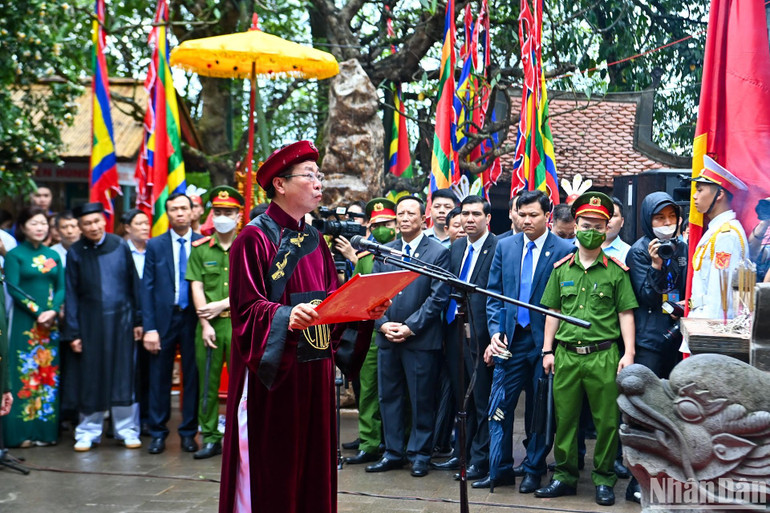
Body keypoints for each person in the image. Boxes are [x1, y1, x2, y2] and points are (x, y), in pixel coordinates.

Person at [218, 140, 388, 513]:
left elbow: (329, 304)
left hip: (313, 370)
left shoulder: (314, 240)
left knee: (312, 463)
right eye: (309, 175)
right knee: (272, 465)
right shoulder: (254, 238)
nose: (318, 183)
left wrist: (362, 313)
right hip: (273, 374)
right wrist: (282, 316)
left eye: (319, 175)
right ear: (280, 184)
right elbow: (246, 308)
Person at [535, 192, 638, 506]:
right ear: (574, 226)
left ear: (607, 229)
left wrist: (629, 353)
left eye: (598, 225)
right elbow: (552, 311)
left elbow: (625, 314)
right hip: (566, 355)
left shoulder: (616, 271)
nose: (591, 229)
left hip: (604, 355)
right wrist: (547, 350)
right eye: (585, 224)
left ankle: (604, 479)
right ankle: (564, 476)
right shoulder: (561, 268)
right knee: (565, 420)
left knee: (607, 421)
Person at [478, 191, 574, 492]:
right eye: (522, 214)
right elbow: (493, 295)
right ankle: (501, 468)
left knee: (540, 410)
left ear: (547, 216)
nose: (527, 220)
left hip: (546, 342)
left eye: (533, 214)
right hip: (510, 341)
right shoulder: (505, 246)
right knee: (500, 407)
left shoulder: (564, 249)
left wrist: (552, 344)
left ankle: (534, 467)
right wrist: (495, 331)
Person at [366, 195, 451, 478]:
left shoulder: (437, 252)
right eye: (400, 213)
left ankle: (420, 454)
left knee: (421, 399)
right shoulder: (383, 250)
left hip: (420, 339)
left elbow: (437, 297)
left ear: (423, 218)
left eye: (410, 213)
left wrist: (411, 326)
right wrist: (383, 324)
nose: (404, 218)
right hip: (388, 337)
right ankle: (392, 452)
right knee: (389, 396)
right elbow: (373, 295)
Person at [62, 202, 143, 452]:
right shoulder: (75, 252)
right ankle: (88, 431)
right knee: (90, 376)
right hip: (90, 324)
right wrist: (73, 332)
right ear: (80, 227)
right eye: (87, 223)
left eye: (97, 221)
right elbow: (72, 294)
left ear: (104, 221)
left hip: (122, 320)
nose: (93, 227)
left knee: (123, 376)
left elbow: (134, 285)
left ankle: (127, 429)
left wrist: (139, 320)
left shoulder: (119, 245)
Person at [624, 191, 687, 502]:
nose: (666, 224)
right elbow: (647, 297)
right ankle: (637, 481)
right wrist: (656, 264)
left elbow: (683, 284)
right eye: (659, 218)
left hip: (676, 336)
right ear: (648, 220)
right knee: (645, 412)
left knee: (672, 411)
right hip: (649, 338)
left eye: (671, 218)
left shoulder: (683, 247)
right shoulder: (638, 251)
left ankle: (666, 477)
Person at [432, 196, 498, 480]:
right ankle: (462, 454)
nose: (469, 219)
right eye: (465, 214)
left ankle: (480, 460)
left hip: (482, 335)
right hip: (455, 332)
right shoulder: (456, 247)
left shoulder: (498, 247)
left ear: (487, 219)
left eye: (475, 214)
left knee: (481, 399)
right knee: (462, 400)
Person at [185, 186, 243, 460]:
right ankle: (209, 437)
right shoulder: (199, 248)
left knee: (241, 385)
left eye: (228, 212)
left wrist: (222, 304)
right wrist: (205, 322)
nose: (222, 217)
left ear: (238, 215)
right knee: (207, 384)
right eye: (218, 212)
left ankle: (240, 435)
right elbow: (196, 285)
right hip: (208, 327)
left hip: (239, 324)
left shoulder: (247, 246)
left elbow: (252, 289)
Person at [142, 193, 202, 455]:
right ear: (167, 214)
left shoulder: (203, 243)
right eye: (173, 209)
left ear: (192, 212)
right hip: (163, 320)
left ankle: (189, 432)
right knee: (159, 377)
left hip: (194, 319)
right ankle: (157, 432)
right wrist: (149, 328)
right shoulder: (155, 245)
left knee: (193, 376)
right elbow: (147, 287)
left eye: (183, 209)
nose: (179, 213)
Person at [2, 207, 65, 448]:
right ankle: (20, 433)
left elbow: (61, 287)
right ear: (23, 227)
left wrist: (52, 310)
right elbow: (13, 288)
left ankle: (45, 432)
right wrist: (38, 312)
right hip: (24, 323)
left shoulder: (54, 255)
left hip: (50, 325)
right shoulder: (15, 256)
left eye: (43, 223)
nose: (40, 228)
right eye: (34, 223)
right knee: (24, 374)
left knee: (47, 375)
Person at [344, 197, 397, 465]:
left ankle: (397, 443)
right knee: (367, 391)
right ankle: (369, 442)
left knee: (396, 393)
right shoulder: (364, 260)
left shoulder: (403, 255)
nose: (381, 229)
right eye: (376, 224)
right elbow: (355, 296)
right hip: (371, 335)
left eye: (387, 223)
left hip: (401, 333)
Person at [688, 155, 748, 321]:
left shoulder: (726, 236)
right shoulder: (716, 231)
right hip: (700, 323)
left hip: (712, 333)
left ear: (720, 194)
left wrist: (709, 339)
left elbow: (720, 299)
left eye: (700, 190)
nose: (694, 196)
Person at [122, 209, 151, 435]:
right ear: (127, 228)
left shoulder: (153, 249)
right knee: (128, 371)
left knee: (147, 371)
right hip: (126, 321)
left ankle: (146, 419)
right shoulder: (121, 251)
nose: (144, 227)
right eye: (138, 223)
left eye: (146, 223)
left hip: (150, 320)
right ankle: (125, 422)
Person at [601, 197, 631, 264]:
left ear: (622, 222)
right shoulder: (579, 247)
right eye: (603, 215)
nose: (608, 219)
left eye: (613, 215)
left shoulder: (629, 252)